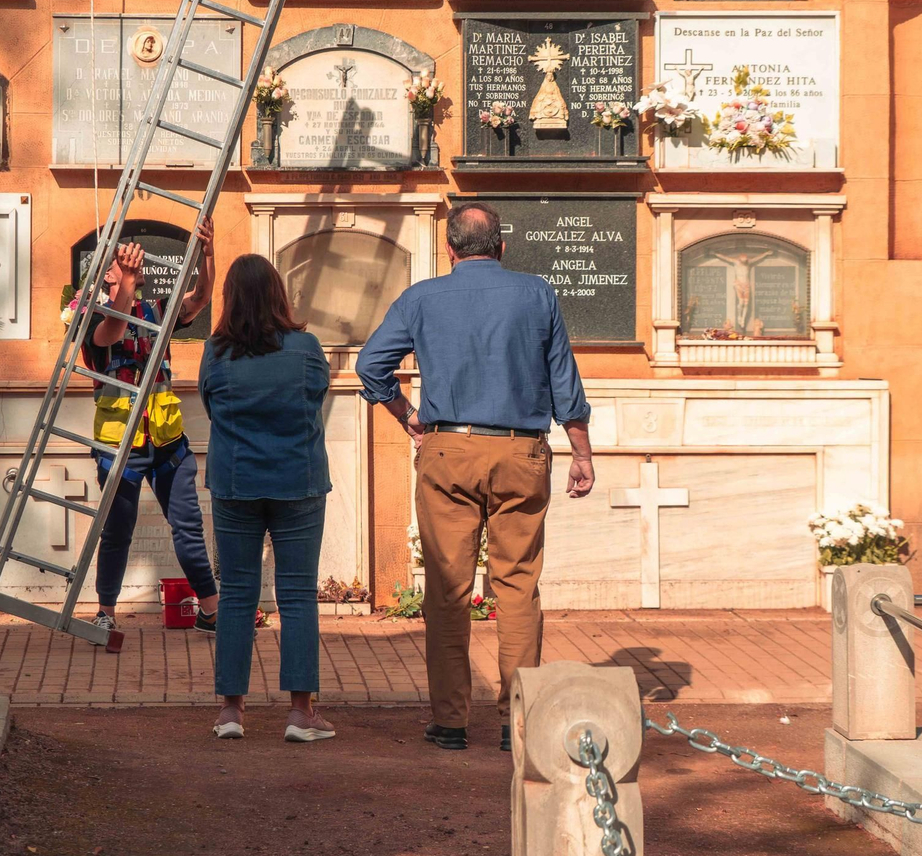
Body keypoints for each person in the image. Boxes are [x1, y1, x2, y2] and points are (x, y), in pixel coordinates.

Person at [356, 201, 594, 751]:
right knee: (518, 586)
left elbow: (371, 365)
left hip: (448, 450)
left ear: (450, 250)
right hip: (520, 451)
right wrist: (581, 453)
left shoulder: (421, 298)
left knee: (447, 590)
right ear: (502, 247)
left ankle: (450, 722)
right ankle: (517, 723)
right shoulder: (537, 294)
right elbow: (565, 382)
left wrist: (406, 414)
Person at [200, 255, 335, 743]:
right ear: (279, 294)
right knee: (297, 594)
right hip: (298, 478)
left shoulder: (216, 351)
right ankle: (301, 713)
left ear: (230, 299)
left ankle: (230, 711)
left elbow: (211, 406)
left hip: (236, 479)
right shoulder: (307, 348)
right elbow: (317, 396)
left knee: (237, 593)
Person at [80, 219, 217, 639]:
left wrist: (208, 254)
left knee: (188, 526)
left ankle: (212, 611)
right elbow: (112, 332)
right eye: (120, 262)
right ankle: (106, 611)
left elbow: (200, 297)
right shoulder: (91, 315)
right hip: (119, 446)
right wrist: (127, 282)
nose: (132, 262)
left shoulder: (157, 310)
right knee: (117, 531)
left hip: (167, 442)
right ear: (106, 275)